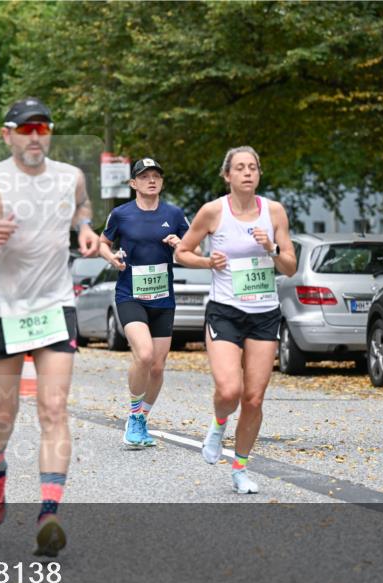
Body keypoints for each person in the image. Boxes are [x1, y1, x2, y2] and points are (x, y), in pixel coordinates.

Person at [0, 97, 100, 557]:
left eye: (42, 128)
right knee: (5, 413)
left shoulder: (71, 176)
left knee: (53, 408)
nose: (35, 137)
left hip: (53, 305)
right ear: (7, 134)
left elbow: (81, 205)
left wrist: (85, 228)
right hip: (1, 309)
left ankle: (49, 511)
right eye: (25, 129)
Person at [174, 146, 296, 494]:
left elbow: (290, 266)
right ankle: (218, 425)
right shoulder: (213, 212)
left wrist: (271, 249)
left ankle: (240, 468)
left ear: (259, 174)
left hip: (264, 314)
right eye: (240, 168)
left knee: (254, 399)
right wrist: (207, 262)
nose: (247, 173)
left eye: (253, 167)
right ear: (227, 175)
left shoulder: (274, 212)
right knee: (230, 390)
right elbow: (182, 252)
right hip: (225, 311)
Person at [99, 158, 190, 448]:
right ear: (133, 183)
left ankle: (142, 417)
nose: (152, 180)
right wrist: (110, 257)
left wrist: (180, 245)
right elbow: (103, 243)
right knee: (145, 354)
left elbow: (194, 248)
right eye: (145, 176)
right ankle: (135, 415)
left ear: (162, 182)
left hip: (163, 298)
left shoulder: (174, 214)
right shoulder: (121, 214)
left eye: (156, 176)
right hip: (130, 295)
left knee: (159, 366)